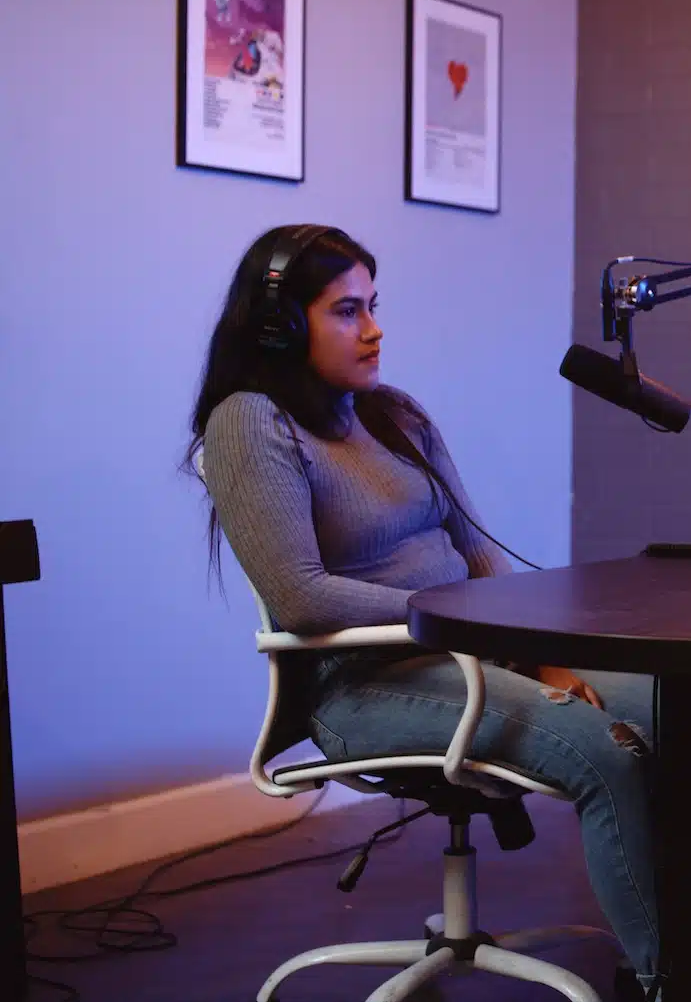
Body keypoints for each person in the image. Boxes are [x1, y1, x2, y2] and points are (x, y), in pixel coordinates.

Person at [187, 224, 660, 998]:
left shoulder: (390, 413)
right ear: (278, 326)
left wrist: (526, 643)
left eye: (374, 306)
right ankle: (666, 975)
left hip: (473, 654)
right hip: (362, 683)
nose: (373, 329)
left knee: (688, 708)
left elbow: (476, 550)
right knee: (606, 752)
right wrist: (463, 618)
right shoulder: (250, 420)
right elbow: (301, 594)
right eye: (346, 310)